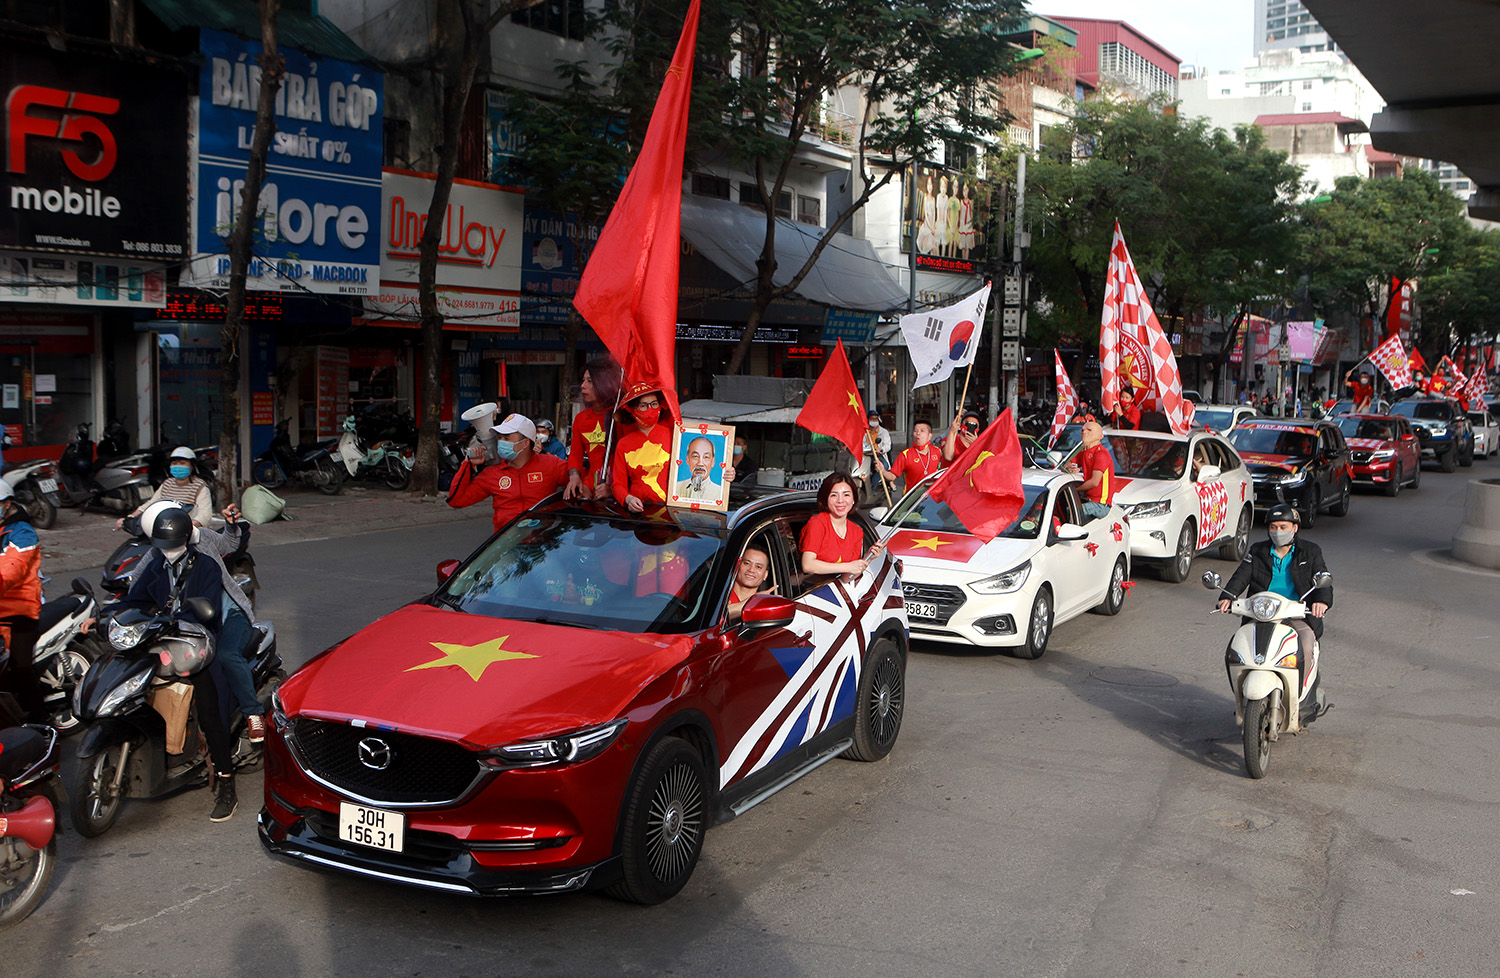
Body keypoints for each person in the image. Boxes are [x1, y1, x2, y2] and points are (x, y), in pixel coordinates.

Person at [114, 506, 244, 820]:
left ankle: (227, 784)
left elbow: (206, 608)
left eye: (171, 543)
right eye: (162, 544)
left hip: (196, 640)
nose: (167, 550)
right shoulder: (156, 562)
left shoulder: (206, 565)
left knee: (212, 708)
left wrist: (174, 620)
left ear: (186, 539)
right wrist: (112, 616)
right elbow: (136, 597)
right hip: (161, 637)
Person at [1216, 503, 1332, 720]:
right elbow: (1242, 575)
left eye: (1283, 526)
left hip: (1296, 614)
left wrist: (1321, 603)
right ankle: (1243, 692)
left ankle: (1302, 693)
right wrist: (1227, 596)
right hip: (1261, 613)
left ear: (1295, 528)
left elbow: (1323, 580)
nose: (1278, 531)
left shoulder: (1311, 551)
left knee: (1306, 643)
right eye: (1273, 527)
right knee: (1237, 648)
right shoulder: (1258, 551)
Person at [447, 414, 568, 532]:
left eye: (506, 438)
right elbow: (456, 500)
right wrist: (467, 464)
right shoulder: (492, 473)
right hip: (507, 544)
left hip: (543, 545)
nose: (501, 442)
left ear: (525, 443)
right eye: (499, 438)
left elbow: (580, 484)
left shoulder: (550, 464)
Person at [0, 480, 44, 722]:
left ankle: (40, 724)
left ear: (7, 504)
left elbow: (11, 569)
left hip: (20, 609)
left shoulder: (22, 532)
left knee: (20, 669)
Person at [800, 472, 883, 580]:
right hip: (808, 589)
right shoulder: (817, 523)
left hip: (834, 591)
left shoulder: (856, 531)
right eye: (834, 495)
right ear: (826, 499)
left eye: (846, 495)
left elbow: (847, 577)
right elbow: (807, 565)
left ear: (854, 499)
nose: (840, 500)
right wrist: (848, 566)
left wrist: (868, 557)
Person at [565, 354, 623, 501]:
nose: (583, 386)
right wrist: (574, 477)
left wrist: (614, 488)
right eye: (583, 380)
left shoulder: (621, 416)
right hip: (590, 485)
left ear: (604, 383)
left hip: (618, 485)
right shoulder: (581, 418)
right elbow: (576, 454)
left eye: (590, 381)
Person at [119, 446, 213, 528]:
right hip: (163, 528)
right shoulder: (167, 484)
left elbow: (204, 515)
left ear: (192, 466)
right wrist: (130, 517)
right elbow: (151, 503)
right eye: (174, 463)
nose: (178, 466)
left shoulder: (200, 487)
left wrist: (190, 524)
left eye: (182, 463)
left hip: (187, 532)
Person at [1067, 420, 1115, 520]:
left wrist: (1073, 491)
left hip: (1100, 505)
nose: (1084, 432)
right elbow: (1067, 463)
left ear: (1100, 436)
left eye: (1089, 430)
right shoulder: (1084, 452)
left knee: (1068, 512)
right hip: (1087, 499)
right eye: (1083, 430)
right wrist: (1069, 467)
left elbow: (1094, 482)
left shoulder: (1101, 454)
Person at [878, 421, 944, 491]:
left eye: (922, 431)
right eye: (915, 431)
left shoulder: (938, 451)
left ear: (930, 435)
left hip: (933, 496)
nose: (918, 433)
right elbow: (892, 476)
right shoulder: (905, 455)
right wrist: (883, 471)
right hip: (913, 498)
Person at [725, 545, 773, 620]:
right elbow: (714, 619)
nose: (751, 570)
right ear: (737, 566)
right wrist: (755, 601)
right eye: (747, 563)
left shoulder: (766, 606)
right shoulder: (721, 595)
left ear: (765, 575)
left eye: (758, 567)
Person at [853, 410, 891, 501]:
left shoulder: (884, 432)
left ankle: (872, 485)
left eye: (875, 419)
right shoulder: (864, 431)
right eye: (871, 419)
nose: (874, 420)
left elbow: (887, 445)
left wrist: (881, 449)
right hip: (865, 455)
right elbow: (858, 442)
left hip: (877, 455)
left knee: (883, 465)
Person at [673, 436, 722, 501]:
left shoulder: (720, 493)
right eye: (695, 456)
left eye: (706, 457)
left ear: (713, 462)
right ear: (687, 459)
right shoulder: (675, 488)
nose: (700, 463)